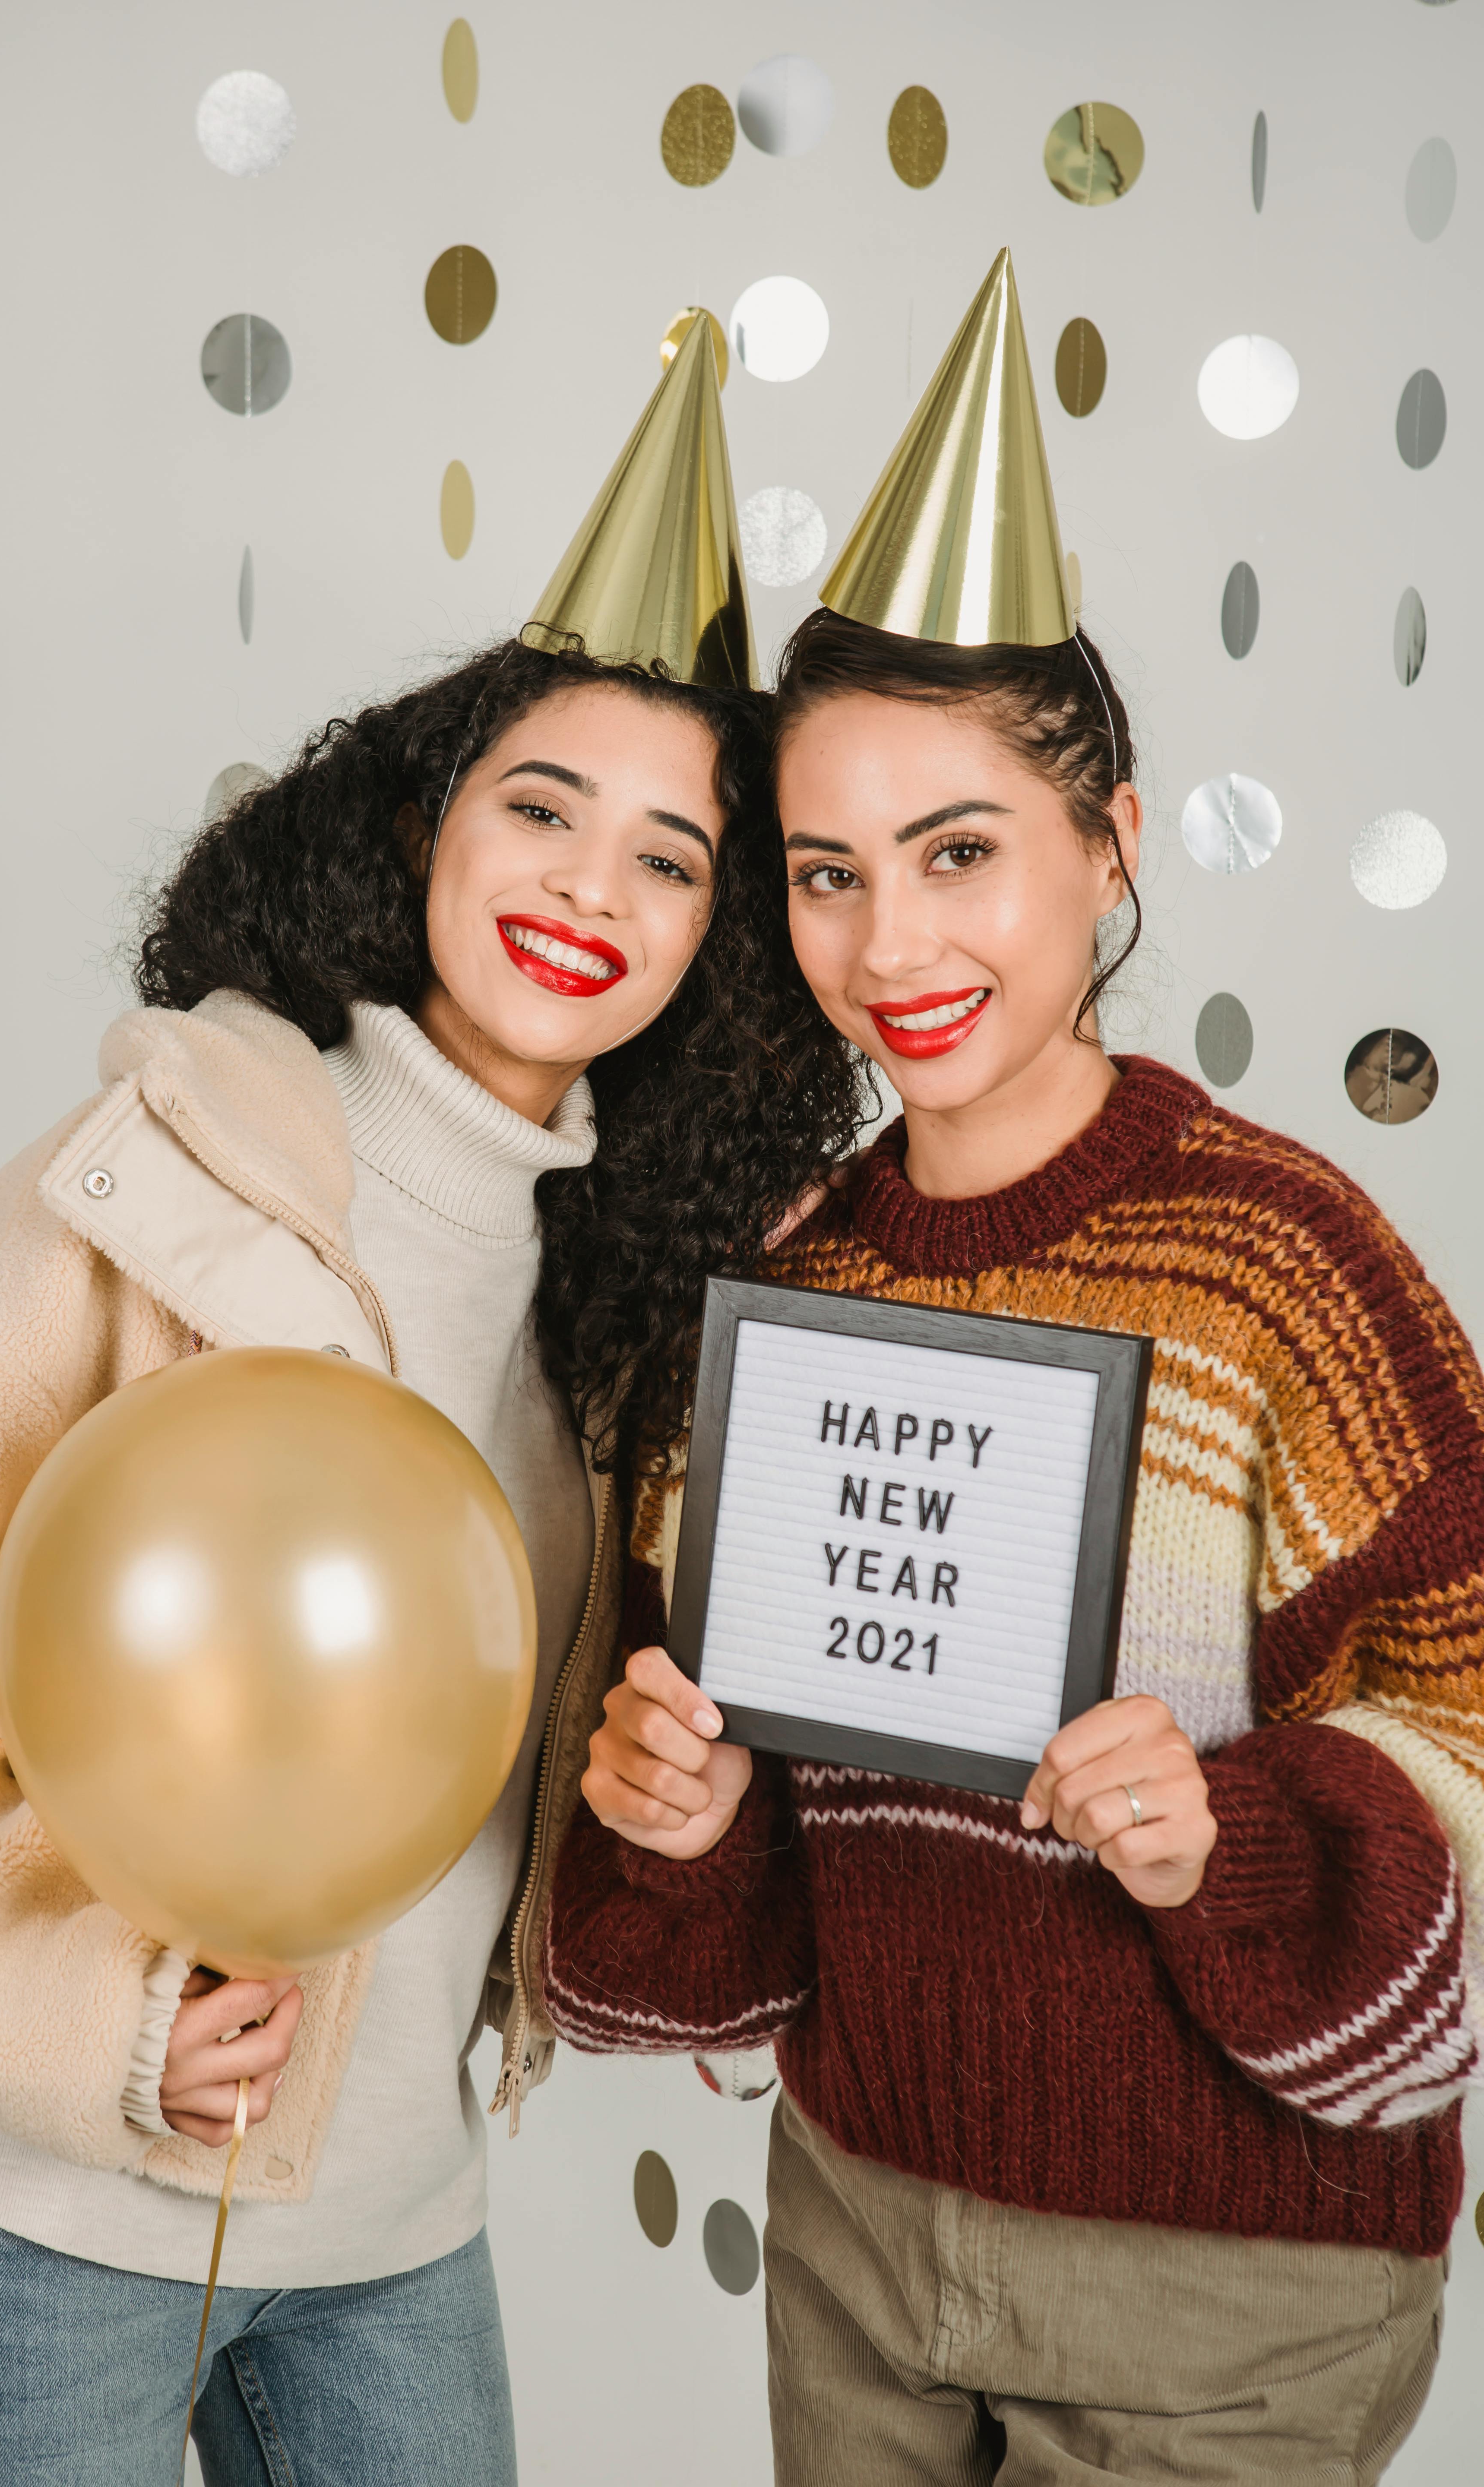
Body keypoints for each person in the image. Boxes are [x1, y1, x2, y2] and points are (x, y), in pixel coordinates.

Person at [0, 318, 864, 2484]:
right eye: (545, 807)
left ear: (718, 941)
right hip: (60, 2221)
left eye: (674, 859)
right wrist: (99, 2035)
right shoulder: (150, 1178)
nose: (594, 885)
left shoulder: (634, 1307)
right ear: (423, 824)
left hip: (402, 2229)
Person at [546, 253, 1482, 2486]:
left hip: (1229, 2292)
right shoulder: (778, 1284)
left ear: (1111, 845)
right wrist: (680, 1817)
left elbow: (1467, 1702)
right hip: (863, 2249)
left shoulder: (1282, 1265)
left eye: (960, 855)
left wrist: (1230, 1835)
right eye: (827, 876)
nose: (894, 949)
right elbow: (759, 1869)